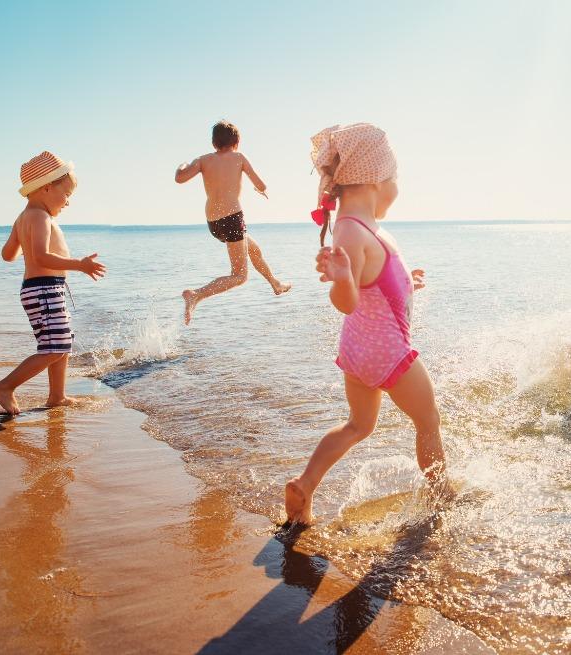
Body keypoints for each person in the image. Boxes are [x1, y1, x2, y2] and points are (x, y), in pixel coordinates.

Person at [283, 123, 446, 533]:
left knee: (359, 425)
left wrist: (410, 280)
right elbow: (347, 300)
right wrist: (341, 277)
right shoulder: (351, 230)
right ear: (377, 180)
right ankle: (442, 498)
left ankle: (306, 485)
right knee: (428, 421)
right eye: (396, 179)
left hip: (358, 351)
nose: (397, 188)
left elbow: (376, 281)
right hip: (386, 351)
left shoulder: (362, 226)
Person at [0, 151, 107, 415]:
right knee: (54, 346)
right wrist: (79, 264)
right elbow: (42, 255)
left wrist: (24, 244)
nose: (67, 202)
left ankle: (57, 396)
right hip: (43, 289)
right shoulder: (40, 217)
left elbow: (7, 255)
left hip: (43, 289)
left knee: (61, 342)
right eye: (66, 194)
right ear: (46, 188)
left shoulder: (24, 218)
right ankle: (5, 387)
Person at [175, 120, 291, 325]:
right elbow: (261, 184)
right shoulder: (239, 157)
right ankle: (196, 295)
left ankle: (275, 283)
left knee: (253, 249)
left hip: (214, 223)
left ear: (214, 143)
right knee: (239, 276)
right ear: (237, 141)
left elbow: (180, 178)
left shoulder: (202, 160)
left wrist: (183, 164)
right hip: (232, 218)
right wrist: (259, 190)